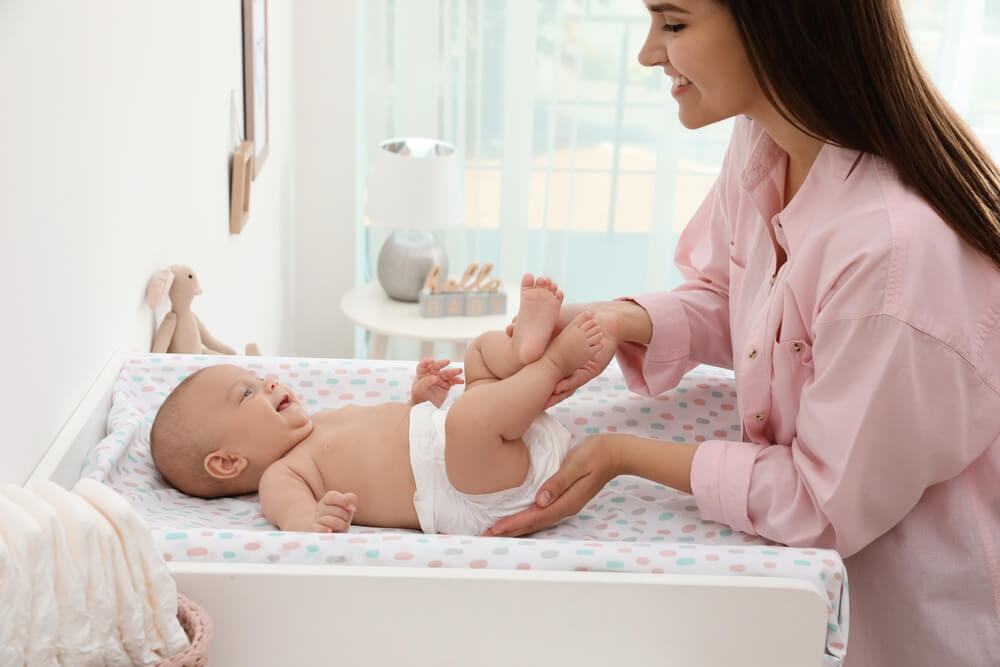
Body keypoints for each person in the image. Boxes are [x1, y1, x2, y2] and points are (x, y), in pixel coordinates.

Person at [486, 1, 1000, 665]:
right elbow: (739, 298)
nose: (647, 53)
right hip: (806, 600)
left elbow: (821, 503)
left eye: (673, 25)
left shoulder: (893, 254)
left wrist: (622, 455)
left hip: (907, 628)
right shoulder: (771, 144)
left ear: (779, 23)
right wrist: (615, 320)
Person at [149, 275, 603, 536]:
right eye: (246, 393)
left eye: (256, 377)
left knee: (478, 354)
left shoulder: (317, 425)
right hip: (473, 490)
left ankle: (524, 352)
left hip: (482, 444)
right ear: (228, 461)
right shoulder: (280, 476)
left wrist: (420, 399)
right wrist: (315, 518)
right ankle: (552, 364)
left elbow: (397, 434)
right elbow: (297, 521)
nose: (268, 380)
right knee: (470, 420)